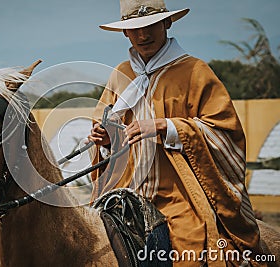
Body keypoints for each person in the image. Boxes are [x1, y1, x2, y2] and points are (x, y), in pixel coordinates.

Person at [87, 0, 265, 266]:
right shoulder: (120, 74)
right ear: (125, 32)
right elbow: (103, 127)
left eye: (150, 26)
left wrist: (165, 126)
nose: (143, 35)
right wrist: (105, 142)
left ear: (167, 23)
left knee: (190, 256)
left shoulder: (195, 71)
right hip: (124, 193)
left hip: (179, 200)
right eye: (135, 29)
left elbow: (225, 133)